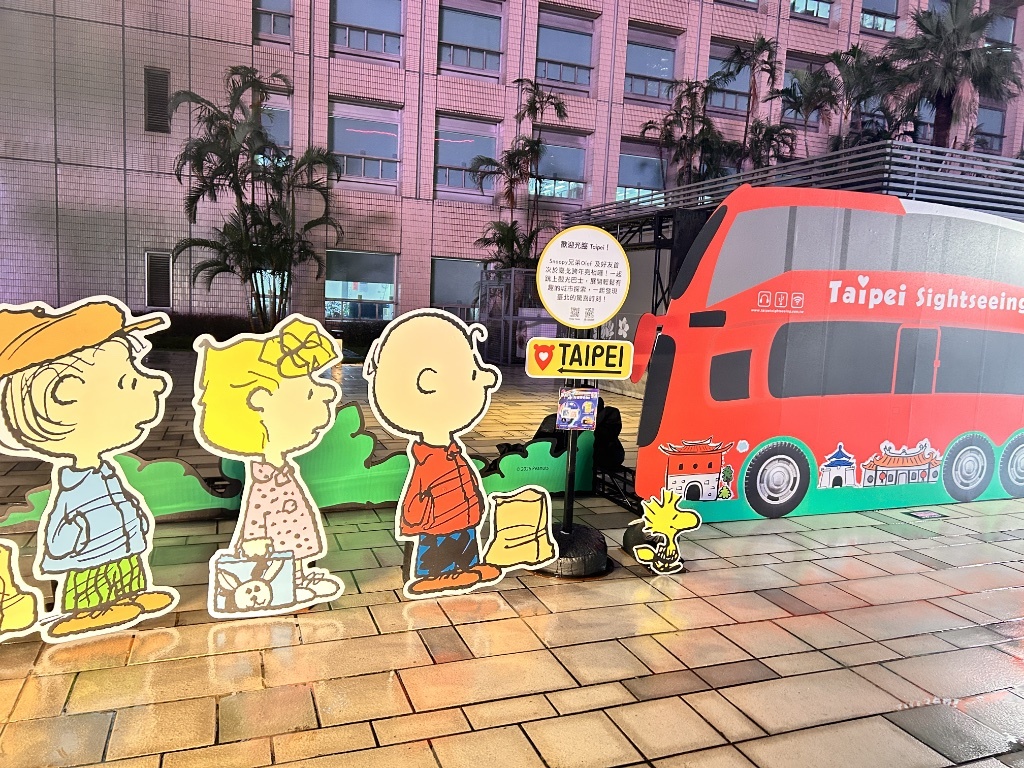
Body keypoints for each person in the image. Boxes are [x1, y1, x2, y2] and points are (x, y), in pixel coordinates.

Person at [0, 298, 179, 641]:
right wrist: (70, 542)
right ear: (63, 397)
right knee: (90, 581)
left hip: (122, 548)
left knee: (123, 571)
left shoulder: (103, 473)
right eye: (127, 381)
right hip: (90, 555)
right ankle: (84, 612)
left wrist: (136, 521)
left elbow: (122, 502)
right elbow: (59, 529)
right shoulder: (75, 486)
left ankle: (129, 595)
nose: (156, 383)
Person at [193, 315, 344, 617]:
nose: (329, 393)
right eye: (310, 391)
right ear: (260, 401)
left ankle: (298, 580)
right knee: (280, 552)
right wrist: (253, 541)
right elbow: (257, 511)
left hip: (290, 532)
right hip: (272, 543)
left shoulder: (278, 470)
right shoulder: (265, 477)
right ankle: (284, 589)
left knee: (291, 551)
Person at [364, 310, 505, 597]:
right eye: (473, 373)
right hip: (438, 523)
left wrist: (475, 505)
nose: (488, 378)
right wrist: (418, 519)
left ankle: (468, 567)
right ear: (429, 383)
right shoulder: (429, 460)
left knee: (464, 540)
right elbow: (416, 495)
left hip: (464, 518)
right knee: (439, 545)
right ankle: (433, 575)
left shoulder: (451, 452)